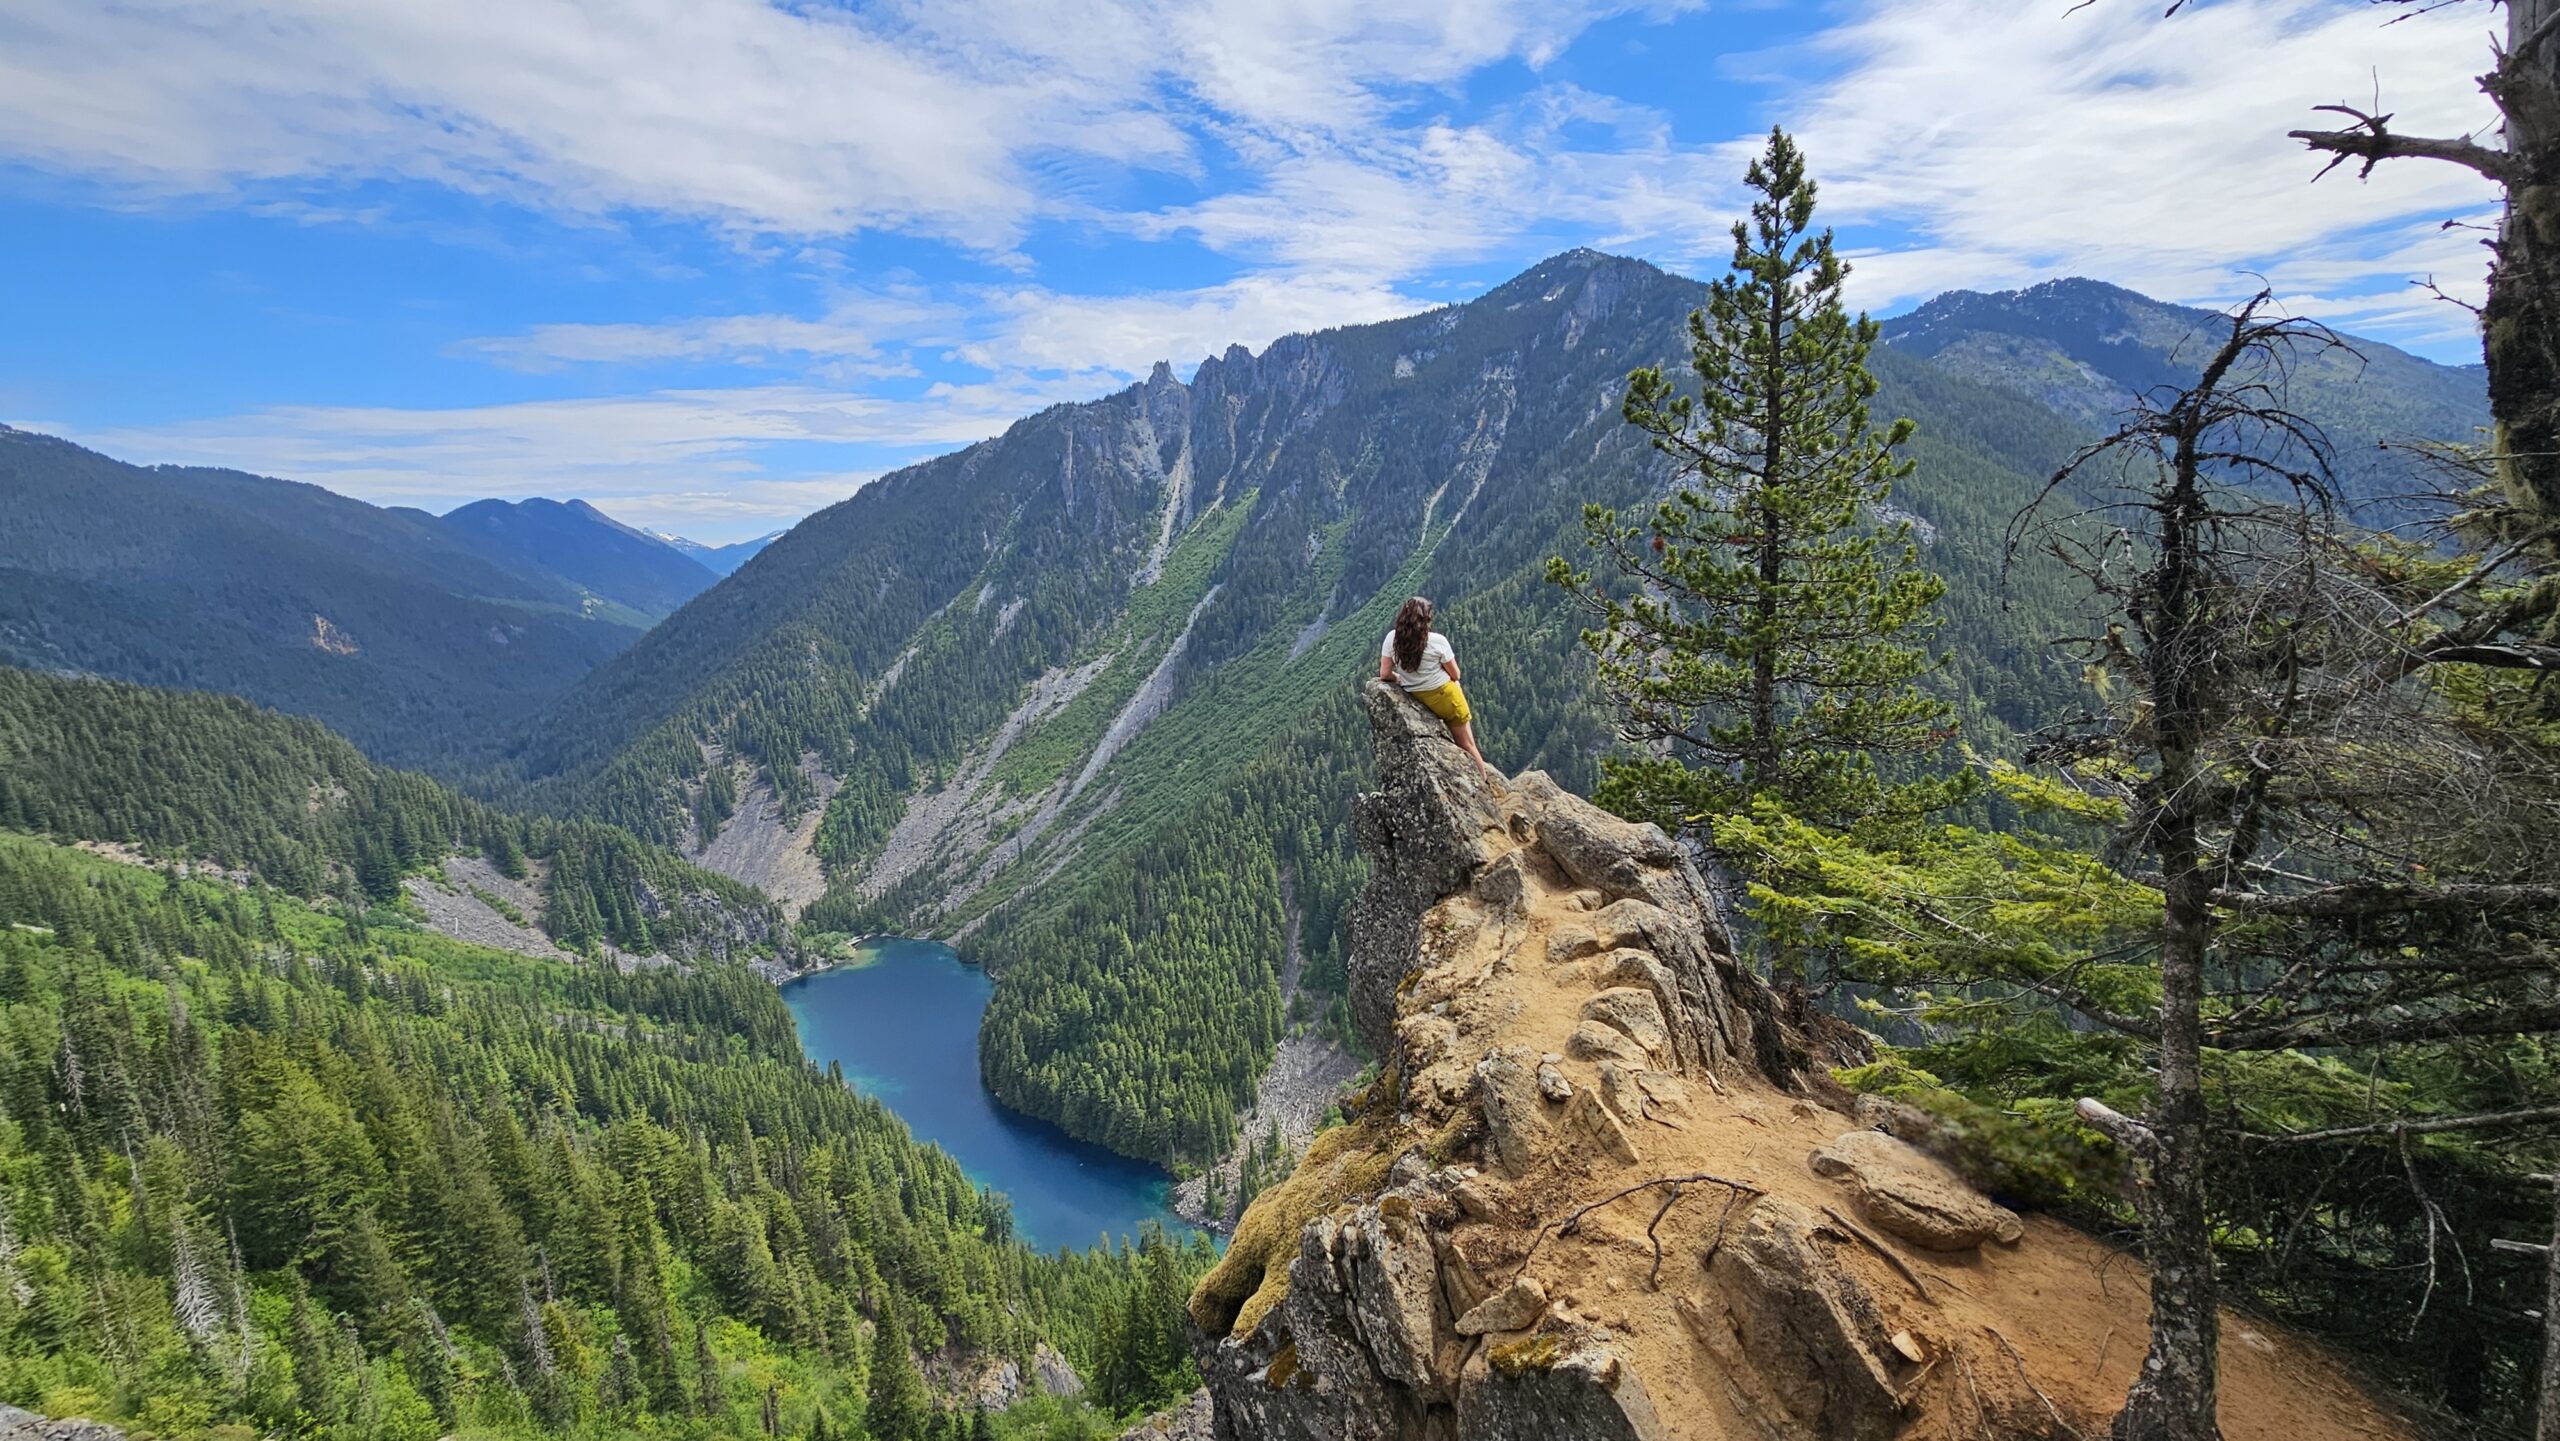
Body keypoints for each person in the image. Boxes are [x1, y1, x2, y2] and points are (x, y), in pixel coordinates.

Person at [1378, 596, 1494, 788]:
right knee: (1466, 744)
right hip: (1445, 697)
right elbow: (1456, 674)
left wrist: (1400, 678)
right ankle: (1484, 783)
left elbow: (1384, 673)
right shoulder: (1437, 641)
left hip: (1416, 697)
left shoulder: (1392, 639)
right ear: (1426, 619)